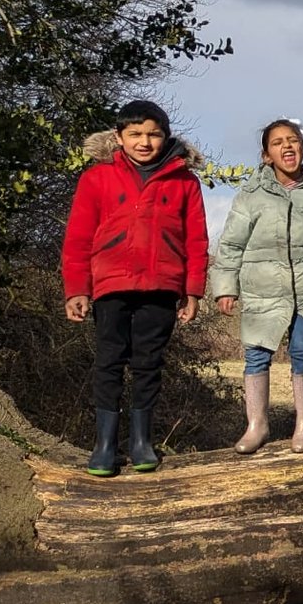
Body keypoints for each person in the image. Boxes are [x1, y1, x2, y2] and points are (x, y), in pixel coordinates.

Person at [61, 99, 208, 477]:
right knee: (109, 363)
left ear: (166, 136)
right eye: (136, 134)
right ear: (119, 137)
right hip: (110, 285)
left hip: (161, 287)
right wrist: (77, 288)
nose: (145, 142)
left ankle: (142, 442)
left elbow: (196, 240)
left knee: (149, 365)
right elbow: (78, 237)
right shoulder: (97, 178)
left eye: (154, 134)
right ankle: (105, 445)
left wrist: (192, 291)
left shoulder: (184, 181)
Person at [209, 119, 303, 456]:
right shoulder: (251, 195)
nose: (287, 147)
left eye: (293, 141)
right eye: (278, 143)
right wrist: (225, 286)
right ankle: (257, 425)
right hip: (263, 290)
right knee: (256, 355)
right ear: (266, 154)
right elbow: (231, 245)